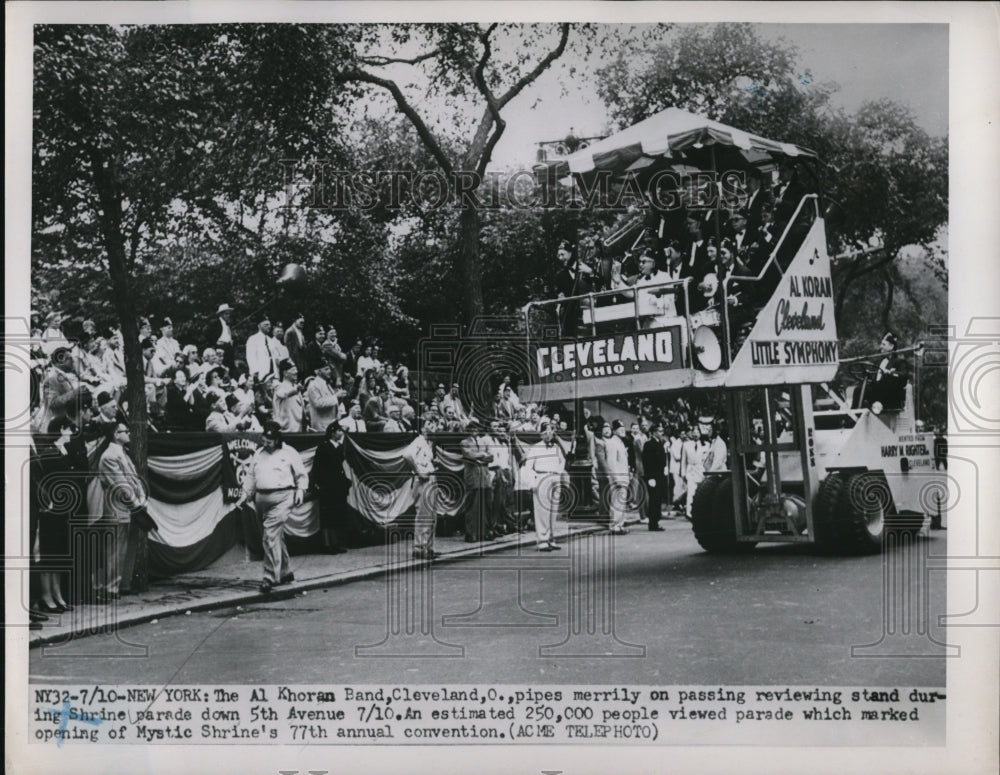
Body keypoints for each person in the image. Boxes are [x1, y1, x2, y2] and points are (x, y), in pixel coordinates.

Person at [237, 421, 308, 594]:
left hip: (283, 496)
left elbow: (301, 474)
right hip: (261, 498)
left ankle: (269, 577)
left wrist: (300, 491)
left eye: (269, 440)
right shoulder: (258, 454)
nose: (266, 443)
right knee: (275, 536)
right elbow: (251, 477)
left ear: (277, 440)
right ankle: (285, 572)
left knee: (269, 534)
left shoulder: (289, 452)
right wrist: (244, 494)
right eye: (264, 439)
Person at [96, 422, 147, 601]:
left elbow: (133, 480)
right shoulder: (110, 456)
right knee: (115, 548)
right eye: (125, 431)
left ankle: (120, 583)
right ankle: (111, 586)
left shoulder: (121, 453)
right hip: (117, 506)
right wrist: (137, 503)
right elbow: (121, 485)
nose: (129, 434)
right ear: (116, 434)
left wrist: (140, 499)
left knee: (123, 547)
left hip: (126, 507)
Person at [34, 417, 79, 615]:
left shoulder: (63, 451)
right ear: (61, 429)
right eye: (69, 429)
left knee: (59, 552)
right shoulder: (49, 452)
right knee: (49, 553)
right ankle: (47, 595)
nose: (71, 433)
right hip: (51, 509)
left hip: (63, 508)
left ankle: (57, 593)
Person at [310, 423, 350, 554]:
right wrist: (318, 484)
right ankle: (327, 544)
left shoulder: (338, 447)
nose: (341, 433)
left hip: (337, 486)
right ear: (332, 432)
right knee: (327, 516)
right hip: (327, 486)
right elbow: (317, 467)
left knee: (336, 515)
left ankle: (335, 543)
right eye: (339, 431)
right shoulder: (324, 447)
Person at [527, 422, 567, 551]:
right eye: (545, 433)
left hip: (555, 478)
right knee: (542, 511)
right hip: (541, 478)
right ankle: (542, 540)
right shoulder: (535, 448)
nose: (548, 435)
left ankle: (551, 538)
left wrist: (558, 473)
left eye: (550, 432)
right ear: (541, 434)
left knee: (553, 511)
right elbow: (528, 467)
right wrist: (533, 483)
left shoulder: (556, 447)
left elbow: (562, 461)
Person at [405, 415, 440, 559]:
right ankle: (419, 548)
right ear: (422, 428)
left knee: (432, 515)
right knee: (424, 515)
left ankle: (428, 547)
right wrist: (419, 472)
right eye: (429, 423)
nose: (433, 426)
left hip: (431, 477)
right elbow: (407, 456)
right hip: (423, 480)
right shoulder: (418, 441)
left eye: (434, 423)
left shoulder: (428, 443)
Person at [460, 419, 495, 542]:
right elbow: (469, 455)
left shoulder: (483, 441)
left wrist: (482, 457)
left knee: (486, 505)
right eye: (472, 429)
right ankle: (471, 533)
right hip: (473, 477)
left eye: (476, 429)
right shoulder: (464, 442)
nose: (475, 431)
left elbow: (491, 457)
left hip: (484, 477)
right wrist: (482, 455)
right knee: (472, 505)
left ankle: (485, 532)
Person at [488, 420, 515, 535]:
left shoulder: (504, 443)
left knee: (508, 500)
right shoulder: (493, 442)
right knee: (498, 501)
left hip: (506, 471)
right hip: (497, 471)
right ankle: (497, 526)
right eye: (499, 430)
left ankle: (507, 525)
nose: (502, 433)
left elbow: (508, 460)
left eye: (504, 431)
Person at [642, 423, 669, 531]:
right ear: (653, 432)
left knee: (657, 499)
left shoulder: (660, 443)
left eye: (662, 431)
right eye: (659, 431)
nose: (661, 433)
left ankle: (655, 521)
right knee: (654, 499)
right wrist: (650, 478)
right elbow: (647, 463)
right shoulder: (649, 444)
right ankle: (653, 523)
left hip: (660, 475)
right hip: (653, 477)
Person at [605, 420, 630, 534]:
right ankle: (615, 525)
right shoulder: (612, 443)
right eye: (620, 429)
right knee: (617, 502)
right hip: (618, 477)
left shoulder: (620, 442)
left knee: (621, 502)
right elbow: (611, 463)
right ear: (614, 431)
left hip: (623, 476)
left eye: (624, 428)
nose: (623, 430)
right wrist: (616, 478)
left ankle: (619, 524)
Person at [681, 427, 710, 519]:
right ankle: (689, 512)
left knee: (702, 492)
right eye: (694, 432)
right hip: (691, 470)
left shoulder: (706, 445)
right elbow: (683, 460)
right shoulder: (686, 445)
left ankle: (702, 511)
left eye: (698, 432)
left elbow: (708, 460)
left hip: (701, 470)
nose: (695, 434)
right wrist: (683, 473)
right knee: (690, 492)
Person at [306, 363, 340, 432]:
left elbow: (332, 403)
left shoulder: (327, 384)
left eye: (329, 369)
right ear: (318, 372)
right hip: (321, 426)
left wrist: (340, 398)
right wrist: (336, 397)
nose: (329, 371)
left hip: (330, 423)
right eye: (326, 369)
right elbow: (318, 403)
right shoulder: (313, 385)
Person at [272, 359, 305, 432]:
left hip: (298, 430)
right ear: (285, 373)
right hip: (286, 431)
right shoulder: (279, 386)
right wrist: (295, 390)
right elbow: (283, 394)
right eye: (293, 370)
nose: (296, 372)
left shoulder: (295, 387)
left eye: (296, 369)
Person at [245, 318, 279, 384]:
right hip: (261, 373)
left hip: (273, 373)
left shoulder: (271, 340)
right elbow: (250, 357)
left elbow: (275, 356)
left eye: (269, 325)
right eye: (266, 325)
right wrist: (255, 372)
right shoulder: (253, 339)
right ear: (259, 326)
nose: (269, 326)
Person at [205, 303, 236, 370]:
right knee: (221, 366)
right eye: (226, 314)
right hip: (220, 348)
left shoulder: (227, 324)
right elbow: (207, 333)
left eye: (229, 314)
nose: (228, 315)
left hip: (229, 348)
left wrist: (231, 340)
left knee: (230, 367)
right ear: (221, 314)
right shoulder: (215, 322)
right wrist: (215, 343)